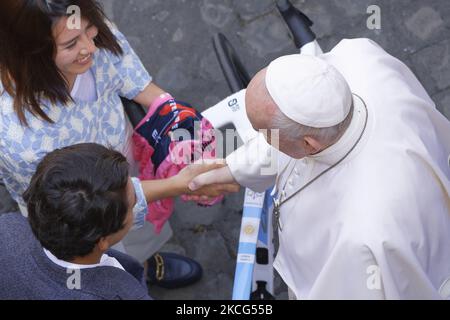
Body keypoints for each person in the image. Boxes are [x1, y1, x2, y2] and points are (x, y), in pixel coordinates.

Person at [0, 0, 236, 289]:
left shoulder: (85, 36)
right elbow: (88, 205)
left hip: (123, 160)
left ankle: (145, 263)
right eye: (72, 43)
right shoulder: (22, 140)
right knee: (109, 254)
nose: (91, 48)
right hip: (88, 210)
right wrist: (179, 183)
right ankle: (128, 276)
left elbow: (134, 82)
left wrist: (186, 130)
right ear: (31, 52)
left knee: (139, 237)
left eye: (90, 29)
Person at [189, 39, 450, 299]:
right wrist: (231, 169)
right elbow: (290, 136)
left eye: (263, 133)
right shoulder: (357, 54)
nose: (259, 137)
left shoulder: (361, 238)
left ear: (308, 145)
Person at [0, 143, 229, 299]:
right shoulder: (123, 293)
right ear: (102, 241)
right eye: (132, 205)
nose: (138, 196)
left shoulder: (7, 228)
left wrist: (178, 184)